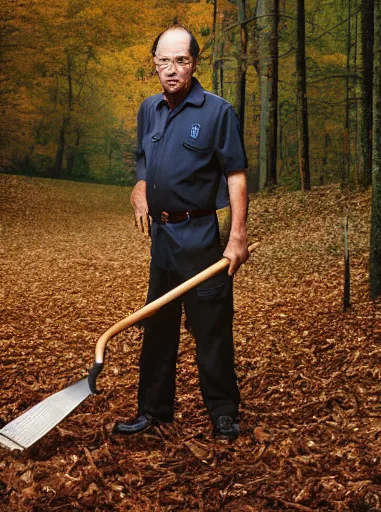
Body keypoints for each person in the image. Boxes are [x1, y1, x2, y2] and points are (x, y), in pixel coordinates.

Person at [113, 25, 249, 441]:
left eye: (181, 61)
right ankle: (153, 411)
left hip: (201, 238)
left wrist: (237, 237)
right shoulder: (148, 109)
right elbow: (144, 157)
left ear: (193, 63)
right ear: (154, 64)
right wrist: (140, 185)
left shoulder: (217, 111)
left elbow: (236, 175)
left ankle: (224, 413)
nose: (171, 70)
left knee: (210, 329)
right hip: (163, 240)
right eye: (163, 61)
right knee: (157, 327)